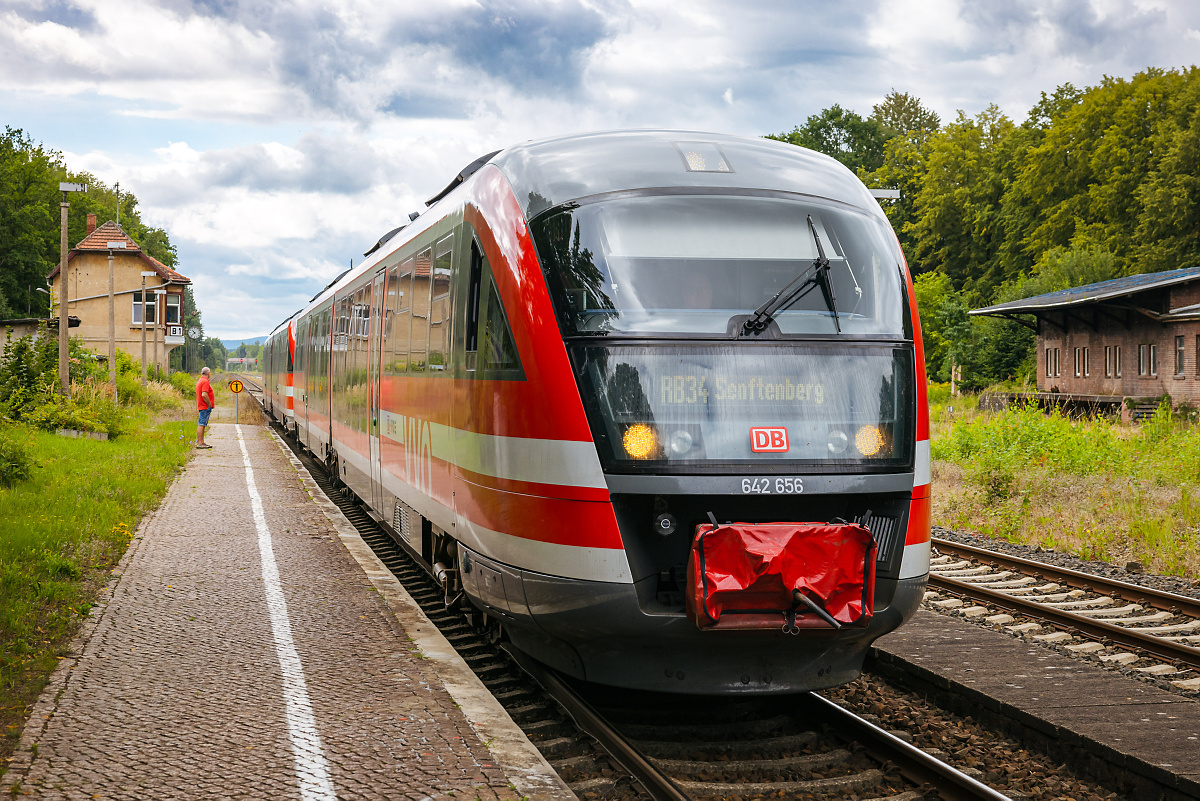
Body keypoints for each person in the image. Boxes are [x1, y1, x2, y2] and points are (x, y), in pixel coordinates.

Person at [196, 367, 215, 449]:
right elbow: (204, 394)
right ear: (208, 373)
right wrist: (209, 404)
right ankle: (200, 443)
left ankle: (201, 442)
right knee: (201, 424)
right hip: (205, 406)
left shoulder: (200, 380)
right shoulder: (205, 381)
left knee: (202, 424)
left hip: (202, 405)